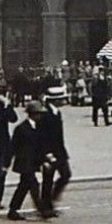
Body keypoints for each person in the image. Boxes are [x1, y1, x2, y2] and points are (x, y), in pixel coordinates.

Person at [6, 101, 49, 220]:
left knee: (24, 187)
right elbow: (13, 147)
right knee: (33, 185)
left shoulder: (38, 127)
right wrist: (6, 162)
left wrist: (44, 159)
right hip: (24, 163)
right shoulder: (21, 128)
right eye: (38, 114)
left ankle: (13, 210)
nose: (40, 116)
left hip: (32, 162)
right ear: (32, 114)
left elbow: (39, 147)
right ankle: (41, 210)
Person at [39, 84, 72, 214]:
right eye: (62, 99)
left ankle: (50, 199)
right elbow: (42, 136)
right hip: (49, 152)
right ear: (55, 100)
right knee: (48, 179)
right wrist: (46, 154)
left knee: (66, 175)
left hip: (59, 151)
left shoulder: (56, 113)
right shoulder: (45, 114)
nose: (64, 101)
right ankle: (46, 206)